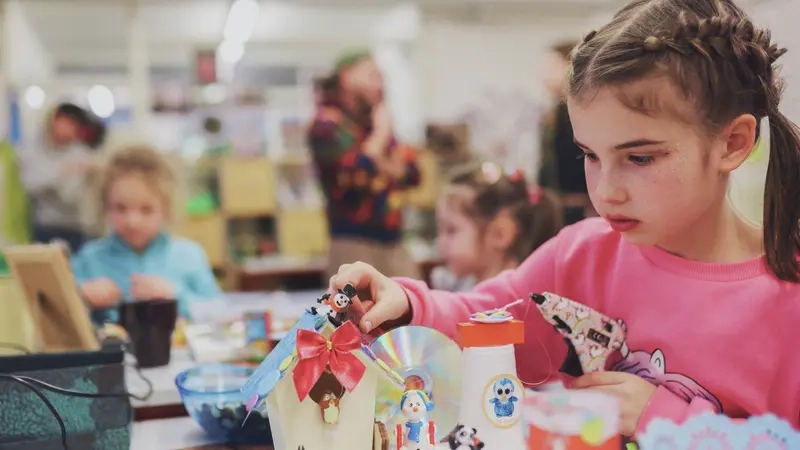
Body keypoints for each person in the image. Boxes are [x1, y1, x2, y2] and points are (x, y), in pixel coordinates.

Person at [329, 0, 800, 437]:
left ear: (733, 143)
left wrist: (662, 418)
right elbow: (486, 318)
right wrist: (407, 305)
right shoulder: (581, 254)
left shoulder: (787, 301)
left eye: (640, 158)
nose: (606, 190)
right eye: (590, 155)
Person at [71, 146, 221, 324]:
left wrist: (174, 295)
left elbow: (219, 312)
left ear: (166, 208)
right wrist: (81, 297)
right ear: (105, 206)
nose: (132, 222)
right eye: (120, 208)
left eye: (146, 210)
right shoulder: (89, 258)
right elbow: (59, 314)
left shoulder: (189, 255)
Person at [308, 51, 422, 279]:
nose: (379, 85)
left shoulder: (373, 121)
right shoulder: (327, 123)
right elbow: (355, 170)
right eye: (372, 76)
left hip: (394, 239)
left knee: (412, 298)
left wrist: (378, 154)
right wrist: (379, 137)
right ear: (346, 77)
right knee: (355, 300)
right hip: (352, 241)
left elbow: (412, 174)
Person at [431, 162, 561, 291]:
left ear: (500, 234)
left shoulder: (516, 295)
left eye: (451, 230)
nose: (440, 242)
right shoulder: (460, 283)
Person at [19, 103, 97, 252]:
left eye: (75, 126)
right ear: (55, 120)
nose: (72, 130)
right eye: (69, 123)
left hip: (75, 227)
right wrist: (62, 173)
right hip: (44, 226)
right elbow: (30, 185)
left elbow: (71, 196)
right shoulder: (32, 151)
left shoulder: (81, 153)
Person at [539, 41, 596, 225]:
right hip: (558, 202)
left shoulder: (582, 111)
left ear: (570, 66)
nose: (544, 74)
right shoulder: (554, 112)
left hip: (581, 205)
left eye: (552, 66)